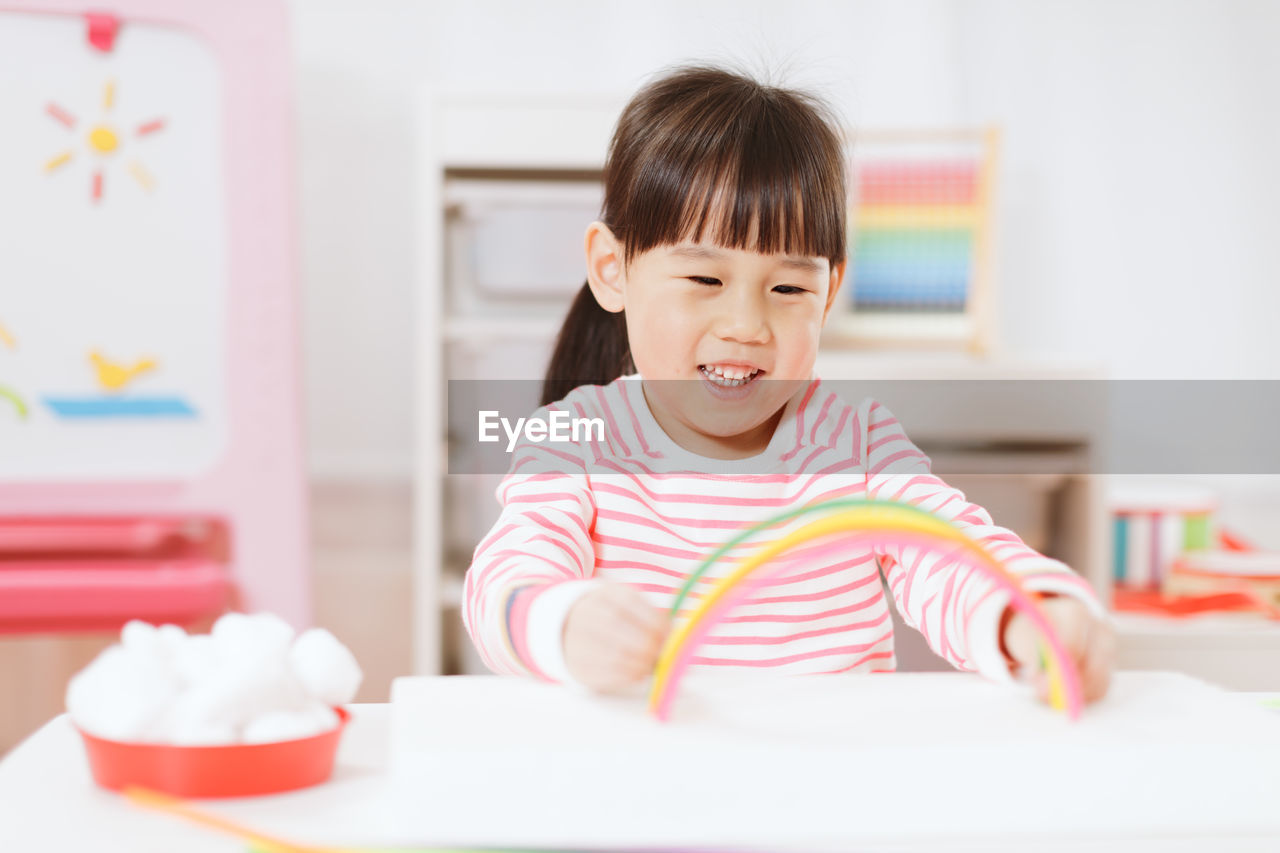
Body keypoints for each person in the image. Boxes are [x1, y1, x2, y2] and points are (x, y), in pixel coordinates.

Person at [462, 64, 1114, 705]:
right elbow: (505, 584)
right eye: (705, 280)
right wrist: (565, 622)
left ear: (828, 291)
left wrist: (1030, 615)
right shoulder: (577, 441)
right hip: (648, 788)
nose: (747, 325)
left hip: (824, 791)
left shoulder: (855, 450)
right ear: (612, 269)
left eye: (787, 288)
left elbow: (952, 556)